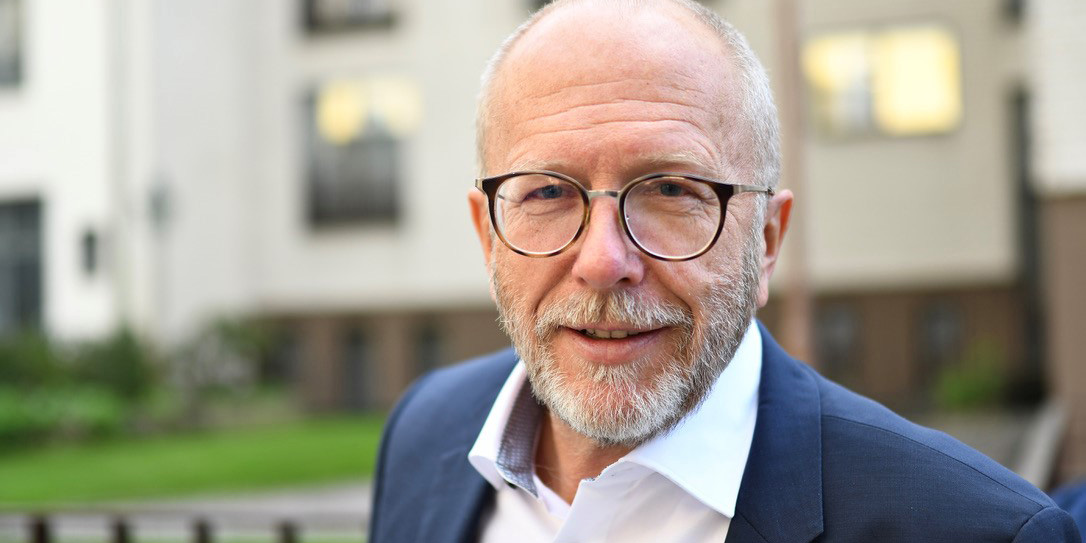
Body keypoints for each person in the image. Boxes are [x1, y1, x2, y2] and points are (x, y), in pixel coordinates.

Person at [368, 0, 1081, 541]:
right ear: (487, 235)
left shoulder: (974, 529)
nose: (605, 261)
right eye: (549, 193)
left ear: (766, 240)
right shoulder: (424, 433)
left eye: (670, 190)